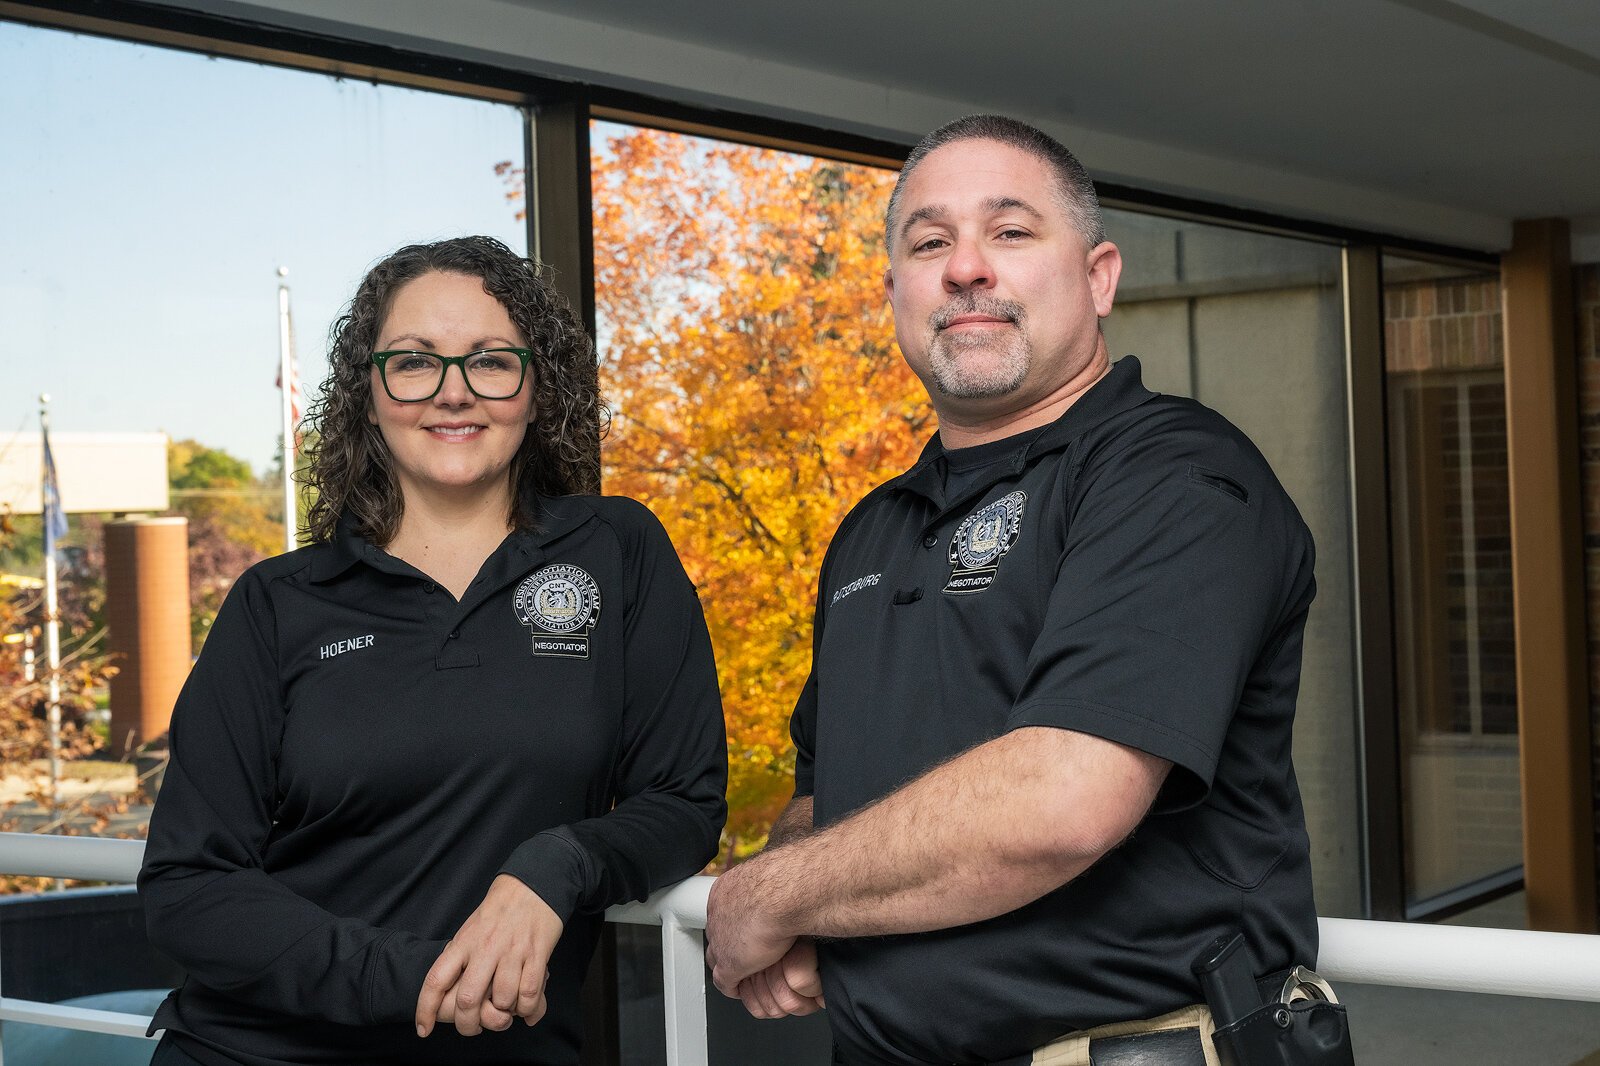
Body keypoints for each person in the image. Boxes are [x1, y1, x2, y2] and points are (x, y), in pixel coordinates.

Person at [703, 115, 1320, 1066]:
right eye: (930, 242)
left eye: (1011, 231)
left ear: (1099, 276)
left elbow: (1064, 800)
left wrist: (767, 895)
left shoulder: (1173, 475)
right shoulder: (873, 529)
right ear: (897, 291)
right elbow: (829, 793)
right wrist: (796, 865)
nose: (966, 269)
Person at [138, 236, 728, 1066]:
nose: (454, 394)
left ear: (537, 385)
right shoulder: (277, 604)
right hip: (251, 1050)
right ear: (369, 392)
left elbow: (684, 800)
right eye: (414, 363)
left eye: (490, 361)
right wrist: (418, 978)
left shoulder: (616, 550)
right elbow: (188, 886)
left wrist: (557, 867)